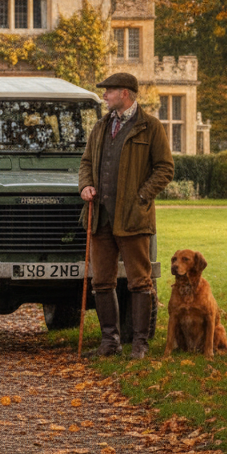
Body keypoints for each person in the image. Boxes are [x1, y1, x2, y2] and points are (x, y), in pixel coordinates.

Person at [79, 72, 174, 359]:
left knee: (140, 282)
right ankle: (110, 343)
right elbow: (85, 163)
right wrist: (85, 185)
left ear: (125, 93)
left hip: (134, 218)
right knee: (102, 282)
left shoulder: (151, 127)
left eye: (108, 91)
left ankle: (140, 345)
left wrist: (141, 196)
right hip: (101, 218)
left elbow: (165, 169)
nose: (104, 96)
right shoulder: (100, 126)